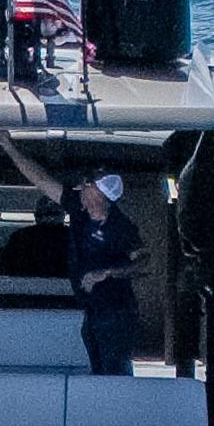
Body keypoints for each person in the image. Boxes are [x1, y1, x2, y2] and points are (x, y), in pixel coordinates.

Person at [60, 161, 143, 375]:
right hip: (93, 309)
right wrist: (9, 146)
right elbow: (41, 181)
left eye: (87, 183)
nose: (81, 186)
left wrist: (107, 273)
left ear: (99, 193)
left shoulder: (120, 227)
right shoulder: (80, 214)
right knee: (96, 366)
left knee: (114, 368)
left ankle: (116, 405)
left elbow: (142, 261)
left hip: (115, 312)